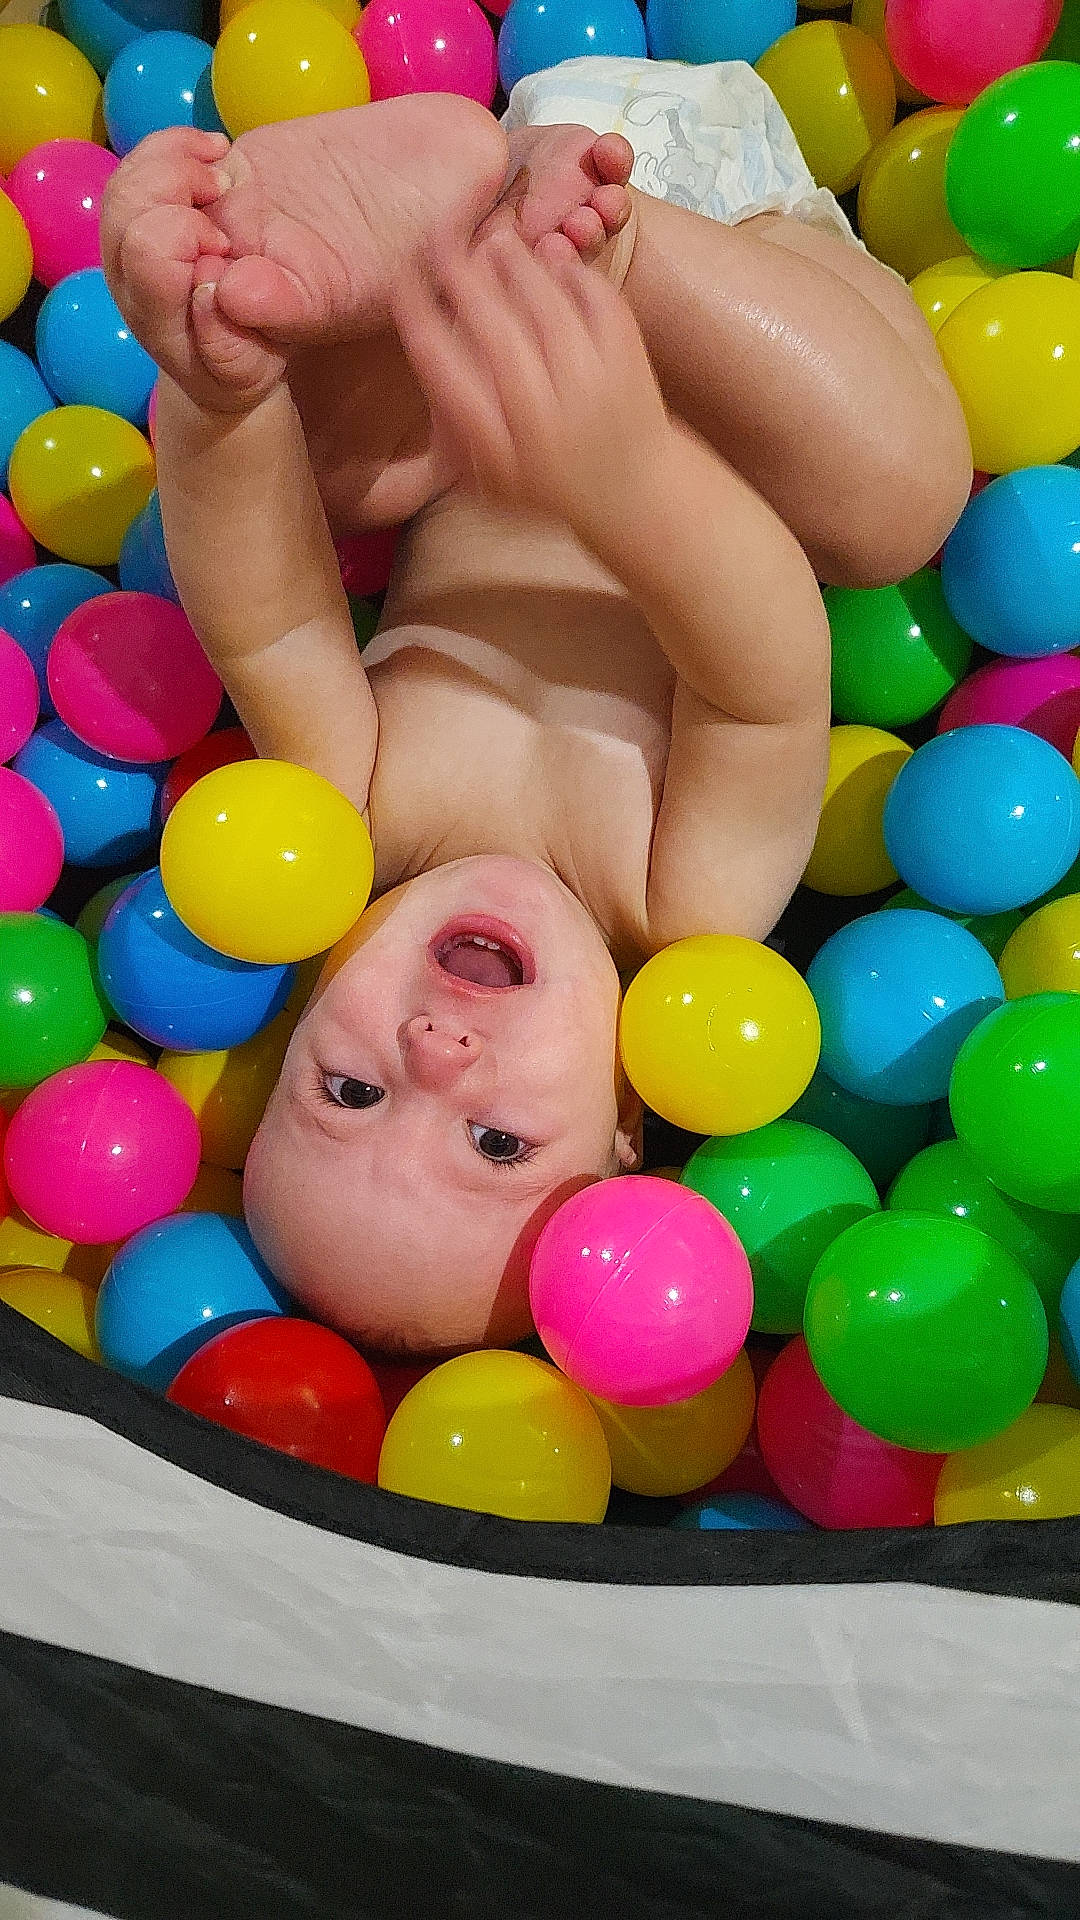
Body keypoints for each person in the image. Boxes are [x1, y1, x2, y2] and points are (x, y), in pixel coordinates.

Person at [102, 65, 972, 1359]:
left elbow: (269, 618)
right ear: (628, 1128)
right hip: (720, 264)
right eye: (496, 1143)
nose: (435, 1052)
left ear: (295, 1024)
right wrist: (625, 479)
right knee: (897, 501)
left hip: (494, 292)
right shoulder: (679, 902)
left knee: (328, 475)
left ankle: (303, 264)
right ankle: (604, 255)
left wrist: (213, 401)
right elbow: (765, 682)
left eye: (350, 1089)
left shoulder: (359, 812)